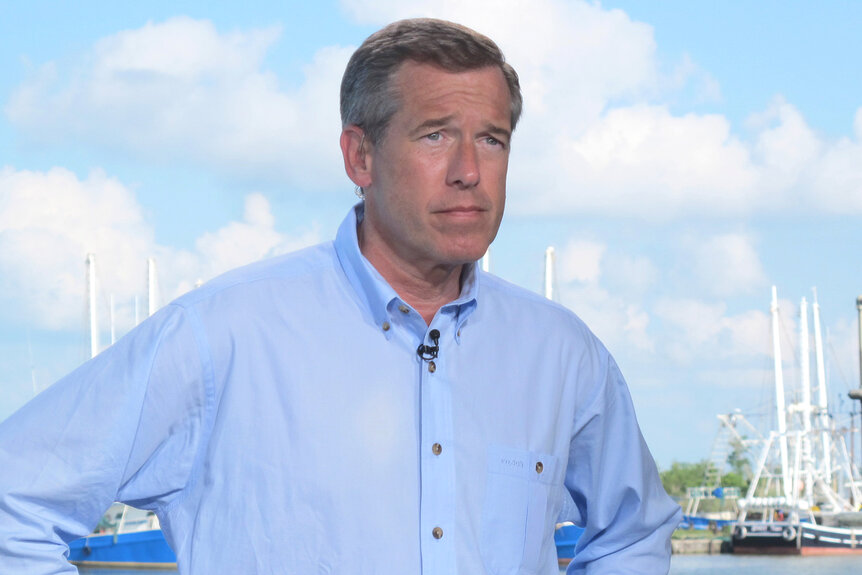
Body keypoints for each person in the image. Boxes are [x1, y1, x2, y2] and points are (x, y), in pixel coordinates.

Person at [0, 18, 680, 574]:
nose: (469, 171)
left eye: (492, 140)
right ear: (359, 157)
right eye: (436, 135)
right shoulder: (223, 336)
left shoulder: (564, 356)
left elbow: (635, 533)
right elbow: (14, 500)